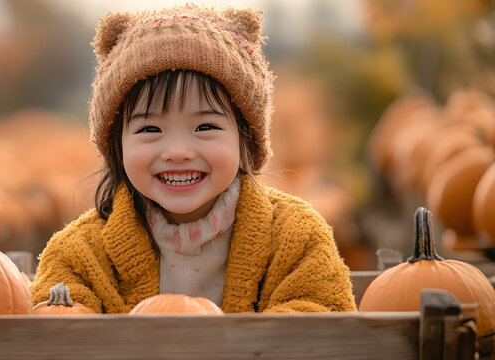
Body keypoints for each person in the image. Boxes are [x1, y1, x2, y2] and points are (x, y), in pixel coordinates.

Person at [29, 4, 357, 313]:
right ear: (118, 147)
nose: (178, 152)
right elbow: (57, 329)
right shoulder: (78, 255)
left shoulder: (296, 238)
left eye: (205, 127)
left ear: (246, 139)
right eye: (150, 129)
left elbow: (320, 323)